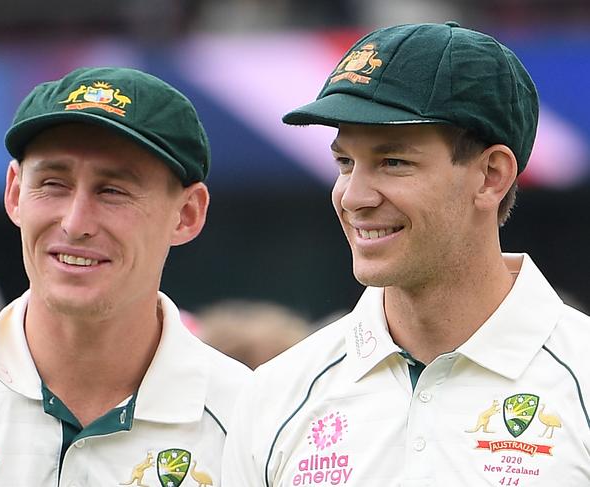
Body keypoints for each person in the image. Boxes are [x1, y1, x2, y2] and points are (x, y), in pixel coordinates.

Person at [221, 22, 590, 486]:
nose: (353, 197)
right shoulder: (277, 393)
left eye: (393, 162)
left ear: (492, 175)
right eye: (344, 163)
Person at [0, 66, 250, 485]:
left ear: (188, 213)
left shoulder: (257, 420)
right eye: (53, 183)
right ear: (14, 193)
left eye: (112, 191)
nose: (75, 222)